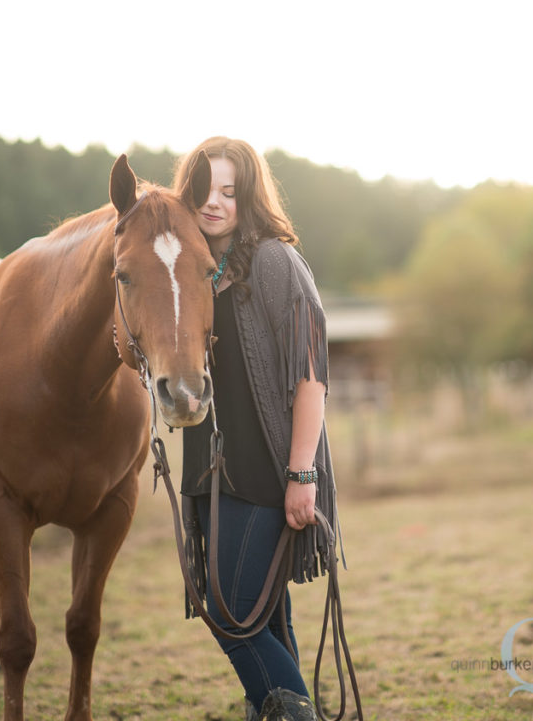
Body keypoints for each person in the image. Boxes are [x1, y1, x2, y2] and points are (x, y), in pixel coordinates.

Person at [175, 137, 339, 721]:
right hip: (213, 477)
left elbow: (311, 376)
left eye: (229, 191)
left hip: (266, 474)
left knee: (228, 612)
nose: (214, 203)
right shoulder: (195, 274)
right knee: (264, 618)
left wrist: (302, 473)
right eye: (204, 190)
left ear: (250, 197)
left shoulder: (274, 260)